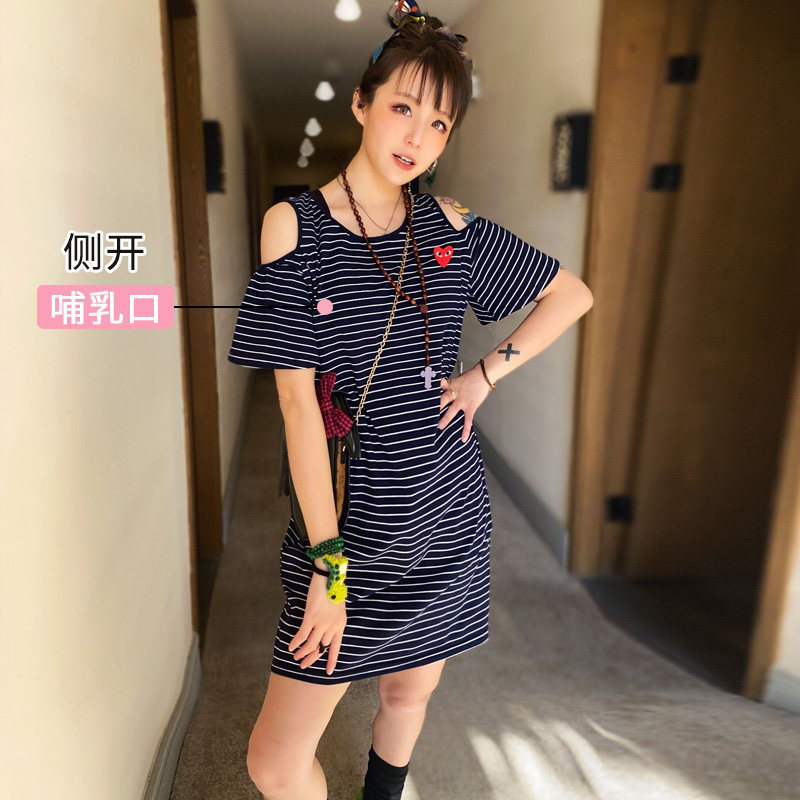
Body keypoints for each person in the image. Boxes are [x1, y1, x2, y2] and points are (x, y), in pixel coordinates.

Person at [228, 4, 594, 799]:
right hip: (350, 531)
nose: (417, 137)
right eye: (403, 108)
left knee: (408, 693)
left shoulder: (451, 227)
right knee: (274, 761)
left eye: (439, 123)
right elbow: (297, 409)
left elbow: (571, 295)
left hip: (445, 516)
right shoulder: (294, 228)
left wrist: (485, 375)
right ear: (362, 103)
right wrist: (328, 566)